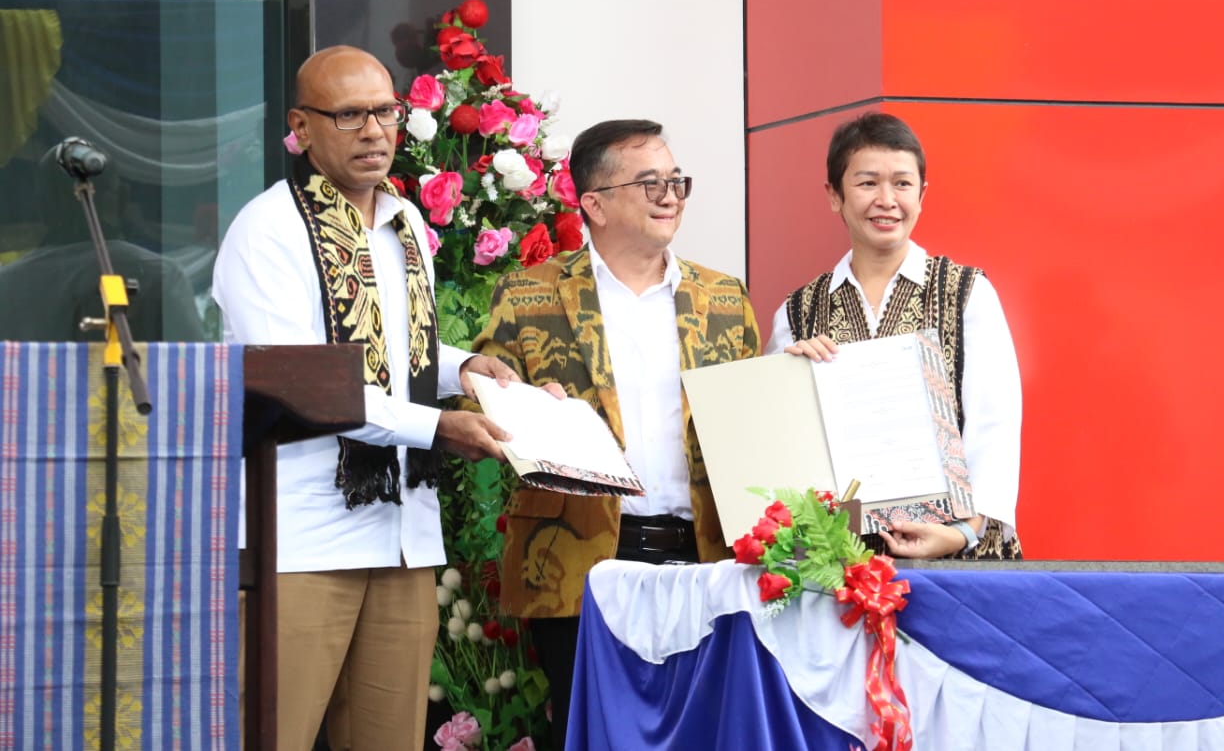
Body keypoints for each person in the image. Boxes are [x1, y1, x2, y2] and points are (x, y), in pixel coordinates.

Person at [211, 45, 519, 751]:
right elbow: (305, 380)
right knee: (272, 737)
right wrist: (439, 427)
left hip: (403, 534)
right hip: (303, 538)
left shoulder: (404, 220)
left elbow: (404, 352)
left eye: (385, 111)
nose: (375, 130)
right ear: (301, 127)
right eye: (349, 115)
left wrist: (468, 368)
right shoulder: (268, 230)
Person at [472, 119, 761, 749]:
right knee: (589, 734)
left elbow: (750, 426)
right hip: (578, 564)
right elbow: (487, 400)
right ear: (595, 204)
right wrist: (524, 408)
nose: (670, 195)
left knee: (707, 732)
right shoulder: (527, 294)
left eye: (676, 181)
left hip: (703, 558)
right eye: (649, 182)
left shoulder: (723, 297)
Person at [766, 112, 1023, 560]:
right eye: (867, 183)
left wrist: (963, 532)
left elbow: (995, 425)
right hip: (839, 562)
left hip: (957, 556)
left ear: (921, 196)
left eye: (902, 184)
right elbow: (779, 446)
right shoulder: (797, 312)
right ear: (834, 195)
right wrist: (788, 379)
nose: (886, 200)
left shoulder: (966, 293)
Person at [0, 146, 205, 342]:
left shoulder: (7, 285)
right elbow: (191, 363)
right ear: (121, 200)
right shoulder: (161, 275)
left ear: (41, 207)